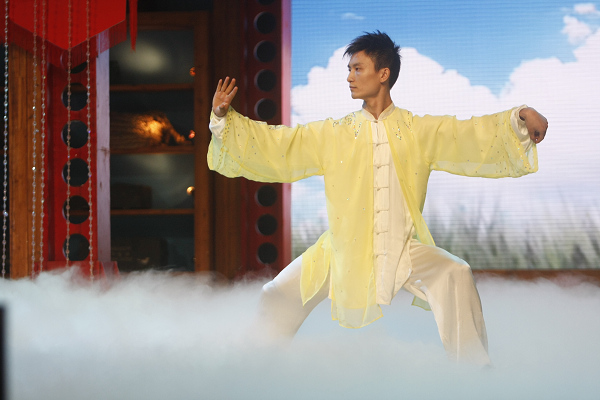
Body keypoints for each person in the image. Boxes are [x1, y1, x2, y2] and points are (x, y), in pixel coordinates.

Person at [208, 31, 547, 365]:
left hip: (401, 249)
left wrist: (520, 117)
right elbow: (280, 144)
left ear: (383, 74)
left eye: (358, 69)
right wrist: (224, 120)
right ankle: (255, 368)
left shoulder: (418, 130)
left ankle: (475, 375)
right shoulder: (334, 133)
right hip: (341, 250)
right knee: (277, 294)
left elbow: (470, 133)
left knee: (455, 274)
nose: (349, 77)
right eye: (349, 70)